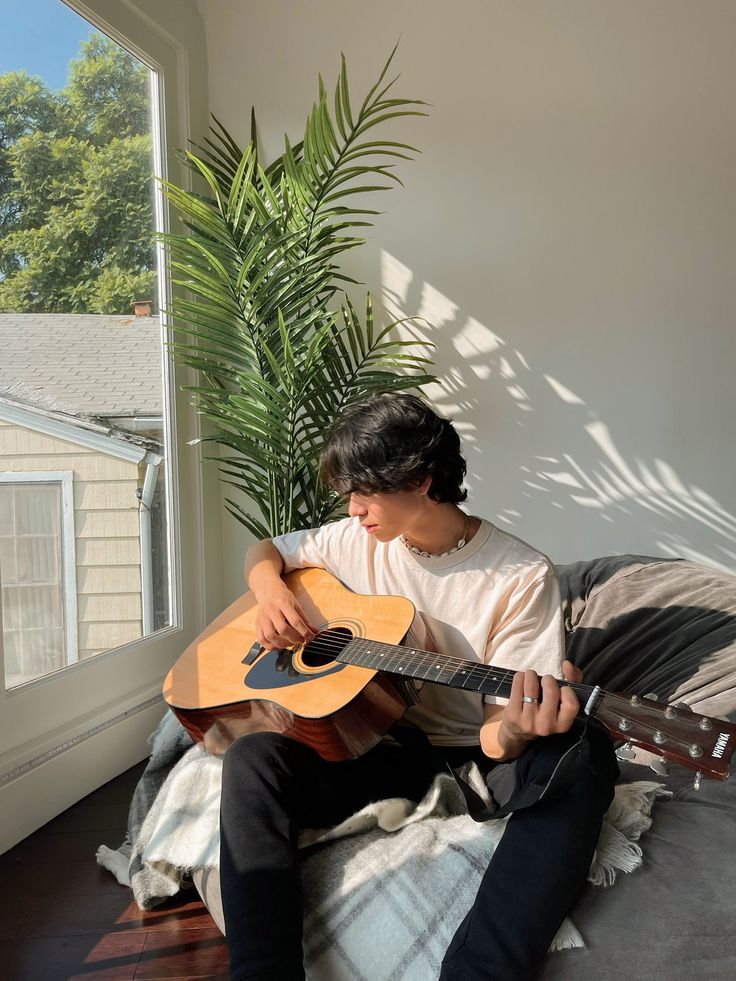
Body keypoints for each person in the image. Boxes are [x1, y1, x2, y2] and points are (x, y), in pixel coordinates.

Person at [219, 392, 618, 981]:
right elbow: (267, 551)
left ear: (423, 482)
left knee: (583, 751)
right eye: (347, 494)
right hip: (380, 746)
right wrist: (272, 593)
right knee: (252, 757)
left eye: (364, 492)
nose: (353, 510)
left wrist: (510, 730)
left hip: (475, 754)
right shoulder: (357, 540)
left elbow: (495, 733)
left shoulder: (519, 574)